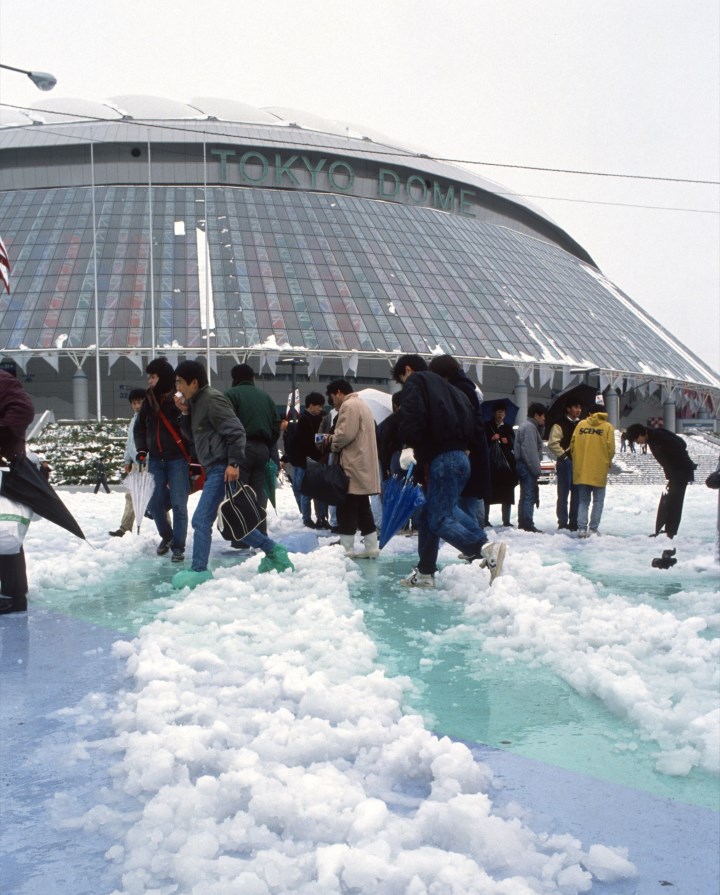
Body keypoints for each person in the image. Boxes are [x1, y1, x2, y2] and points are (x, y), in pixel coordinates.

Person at [172, 361, 293, 589]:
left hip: (223, 467)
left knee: (201, 519)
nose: (177, 387)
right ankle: (274, 550)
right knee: (235, 519)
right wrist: (185, 412)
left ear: (194, 382)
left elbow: (236, 430)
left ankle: (198, 570)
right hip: (215, 467)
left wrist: (234, 463)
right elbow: (192, 437)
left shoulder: (212, 399)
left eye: (179, 381)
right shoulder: (197, 403)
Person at [393, 354, 505, 586]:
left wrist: (408, 444)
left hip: (443, 460)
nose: (404, 386)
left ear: (407, 370)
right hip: (459, 459)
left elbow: (412, 413)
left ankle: (484, 548)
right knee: (428, 516)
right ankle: (425, 573)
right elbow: (477, 424)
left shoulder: (417, 381)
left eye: (402, 379)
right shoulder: (456, 390)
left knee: (438, 518)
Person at [134, 358, 190, 562]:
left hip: (177, 459)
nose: (149, 381)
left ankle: (178, 546)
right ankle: (167, 536)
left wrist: (192, 457)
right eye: (149, 377)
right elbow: (139, 427)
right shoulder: (149, 400)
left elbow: (189, 425)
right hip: (156, 459)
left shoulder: (178, 399)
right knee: (155, 502)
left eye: (153, 377)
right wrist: (141, 449)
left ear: (163, 377)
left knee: (178, 504)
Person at [428, 354, 490, 530]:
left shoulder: (461, 389)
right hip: (470, 454)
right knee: (465, 502)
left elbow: (473, 422)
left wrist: (468, 447)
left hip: (469, 454)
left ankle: (477, 544)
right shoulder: (464, 387)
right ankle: (475, 543)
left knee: (465, 503)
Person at [325, 379, 381, 559]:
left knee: (346, 506)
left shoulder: (348, 406)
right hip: (362, 464)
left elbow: (344, 435)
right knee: (363, 507)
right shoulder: (362, 405)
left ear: (339, 392)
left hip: (352, 465)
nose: (333, 402)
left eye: (332, 397)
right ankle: (371, 547)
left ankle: (347, 548)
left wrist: (330, 441)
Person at [224, 363, 281, 537]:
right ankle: (260, 532)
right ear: (252, 377)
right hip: (263, 449)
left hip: (240, 449)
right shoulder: (266, 397)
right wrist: (267, 443)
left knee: (240, 494)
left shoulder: (231, 395)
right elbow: (276, 424)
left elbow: (226, 422)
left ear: (234, 378)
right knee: (258, 494)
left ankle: (242, 537)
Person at [0, 369, 35, 614]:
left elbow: (24, 409)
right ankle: (12, 592)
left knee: (6, 529)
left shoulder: (2, 380)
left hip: (4, 465)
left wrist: (1, 434)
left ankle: (14, 595)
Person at [625, 423, 697, 538]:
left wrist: (685, 467)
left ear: (641, 433)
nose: (637, 443)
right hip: (675, 473)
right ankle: (668, 530)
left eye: (636, 439)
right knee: (671, 501)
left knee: (675, 502)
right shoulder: (652, 438)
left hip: (681, 472)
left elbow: (681, 445)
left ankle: (671, 532)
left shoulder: (658, 436)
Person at [570, 401, 615, 537]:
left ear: (590, 413)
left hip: (582, 469)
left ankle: (582, 529)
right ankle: (593, 529)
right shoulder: (607, 427)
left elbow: (572, 445)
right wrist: (606, 462)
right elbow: (611, 449)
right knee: (598, 501)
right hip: (599, 470)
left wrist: (577, 461)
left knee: (583, 501)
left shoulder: (581, 425)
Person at [285, 392, 329, 529]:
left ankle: (322, 517)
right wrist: (321, 443)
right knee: (306, 491)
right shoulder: (303, 420)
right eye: (318, 406)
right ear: (311, 405)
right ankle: (307, 518)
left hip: (316, 459)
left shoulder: (321, 417)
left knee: (320, 491)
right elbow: (306, 441)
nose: (321, 409)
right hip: (305, 461)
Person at [108, 389, 146, 537]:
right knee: (130, 496)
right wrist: (127, 460)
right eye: (134, 403)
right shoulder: (133, 420)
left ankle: (167, 530)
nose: (137, 406)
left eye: (140, 402)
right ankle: (125, 528)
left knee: (156, 499)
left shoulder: (149, 419)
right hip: (136, 464)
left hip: (148, 463)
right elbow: (129, 443)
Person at [546, 398, 582, 531]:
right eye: (575, 407)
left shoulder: (582, 425)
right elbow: (552, 443)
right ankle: (562, 522)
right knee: (563, 494)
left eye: (579, 407)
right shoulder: (559, 424)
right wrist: (564, 456)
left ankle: (574, 522)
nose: (578, 410)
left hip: (579, 462)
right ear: (568, 409)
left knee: (577, 494)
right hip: (565, 461)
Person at [513, 402, 547, 533]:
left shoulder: (529, 426)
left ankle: (523, 522)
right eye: (543, 416)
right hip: (527, 466)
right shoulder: (529, 428)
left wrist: (542, 428)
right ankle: (527, 523)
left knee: (524, 495)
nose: (544, 419)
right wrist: (536, 470)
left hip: (523, 465)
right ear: (537, 415)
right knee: (529, 495)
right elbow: (530, 451)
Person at [484, 400, 516, 527]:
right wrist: (491, 439)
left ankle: (506, 520)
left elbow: (513, 443)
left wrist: (506, 441)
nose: (501, 414)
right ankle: (485, 519)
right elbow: (482, 442)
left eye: (503, 412)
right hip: (491, 466)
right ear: (494, 413)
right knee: (488, 493)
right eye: (499, 412)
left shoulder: (508, 427)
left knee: (507, 493)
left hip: (505, 466)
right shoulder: (487, 426)